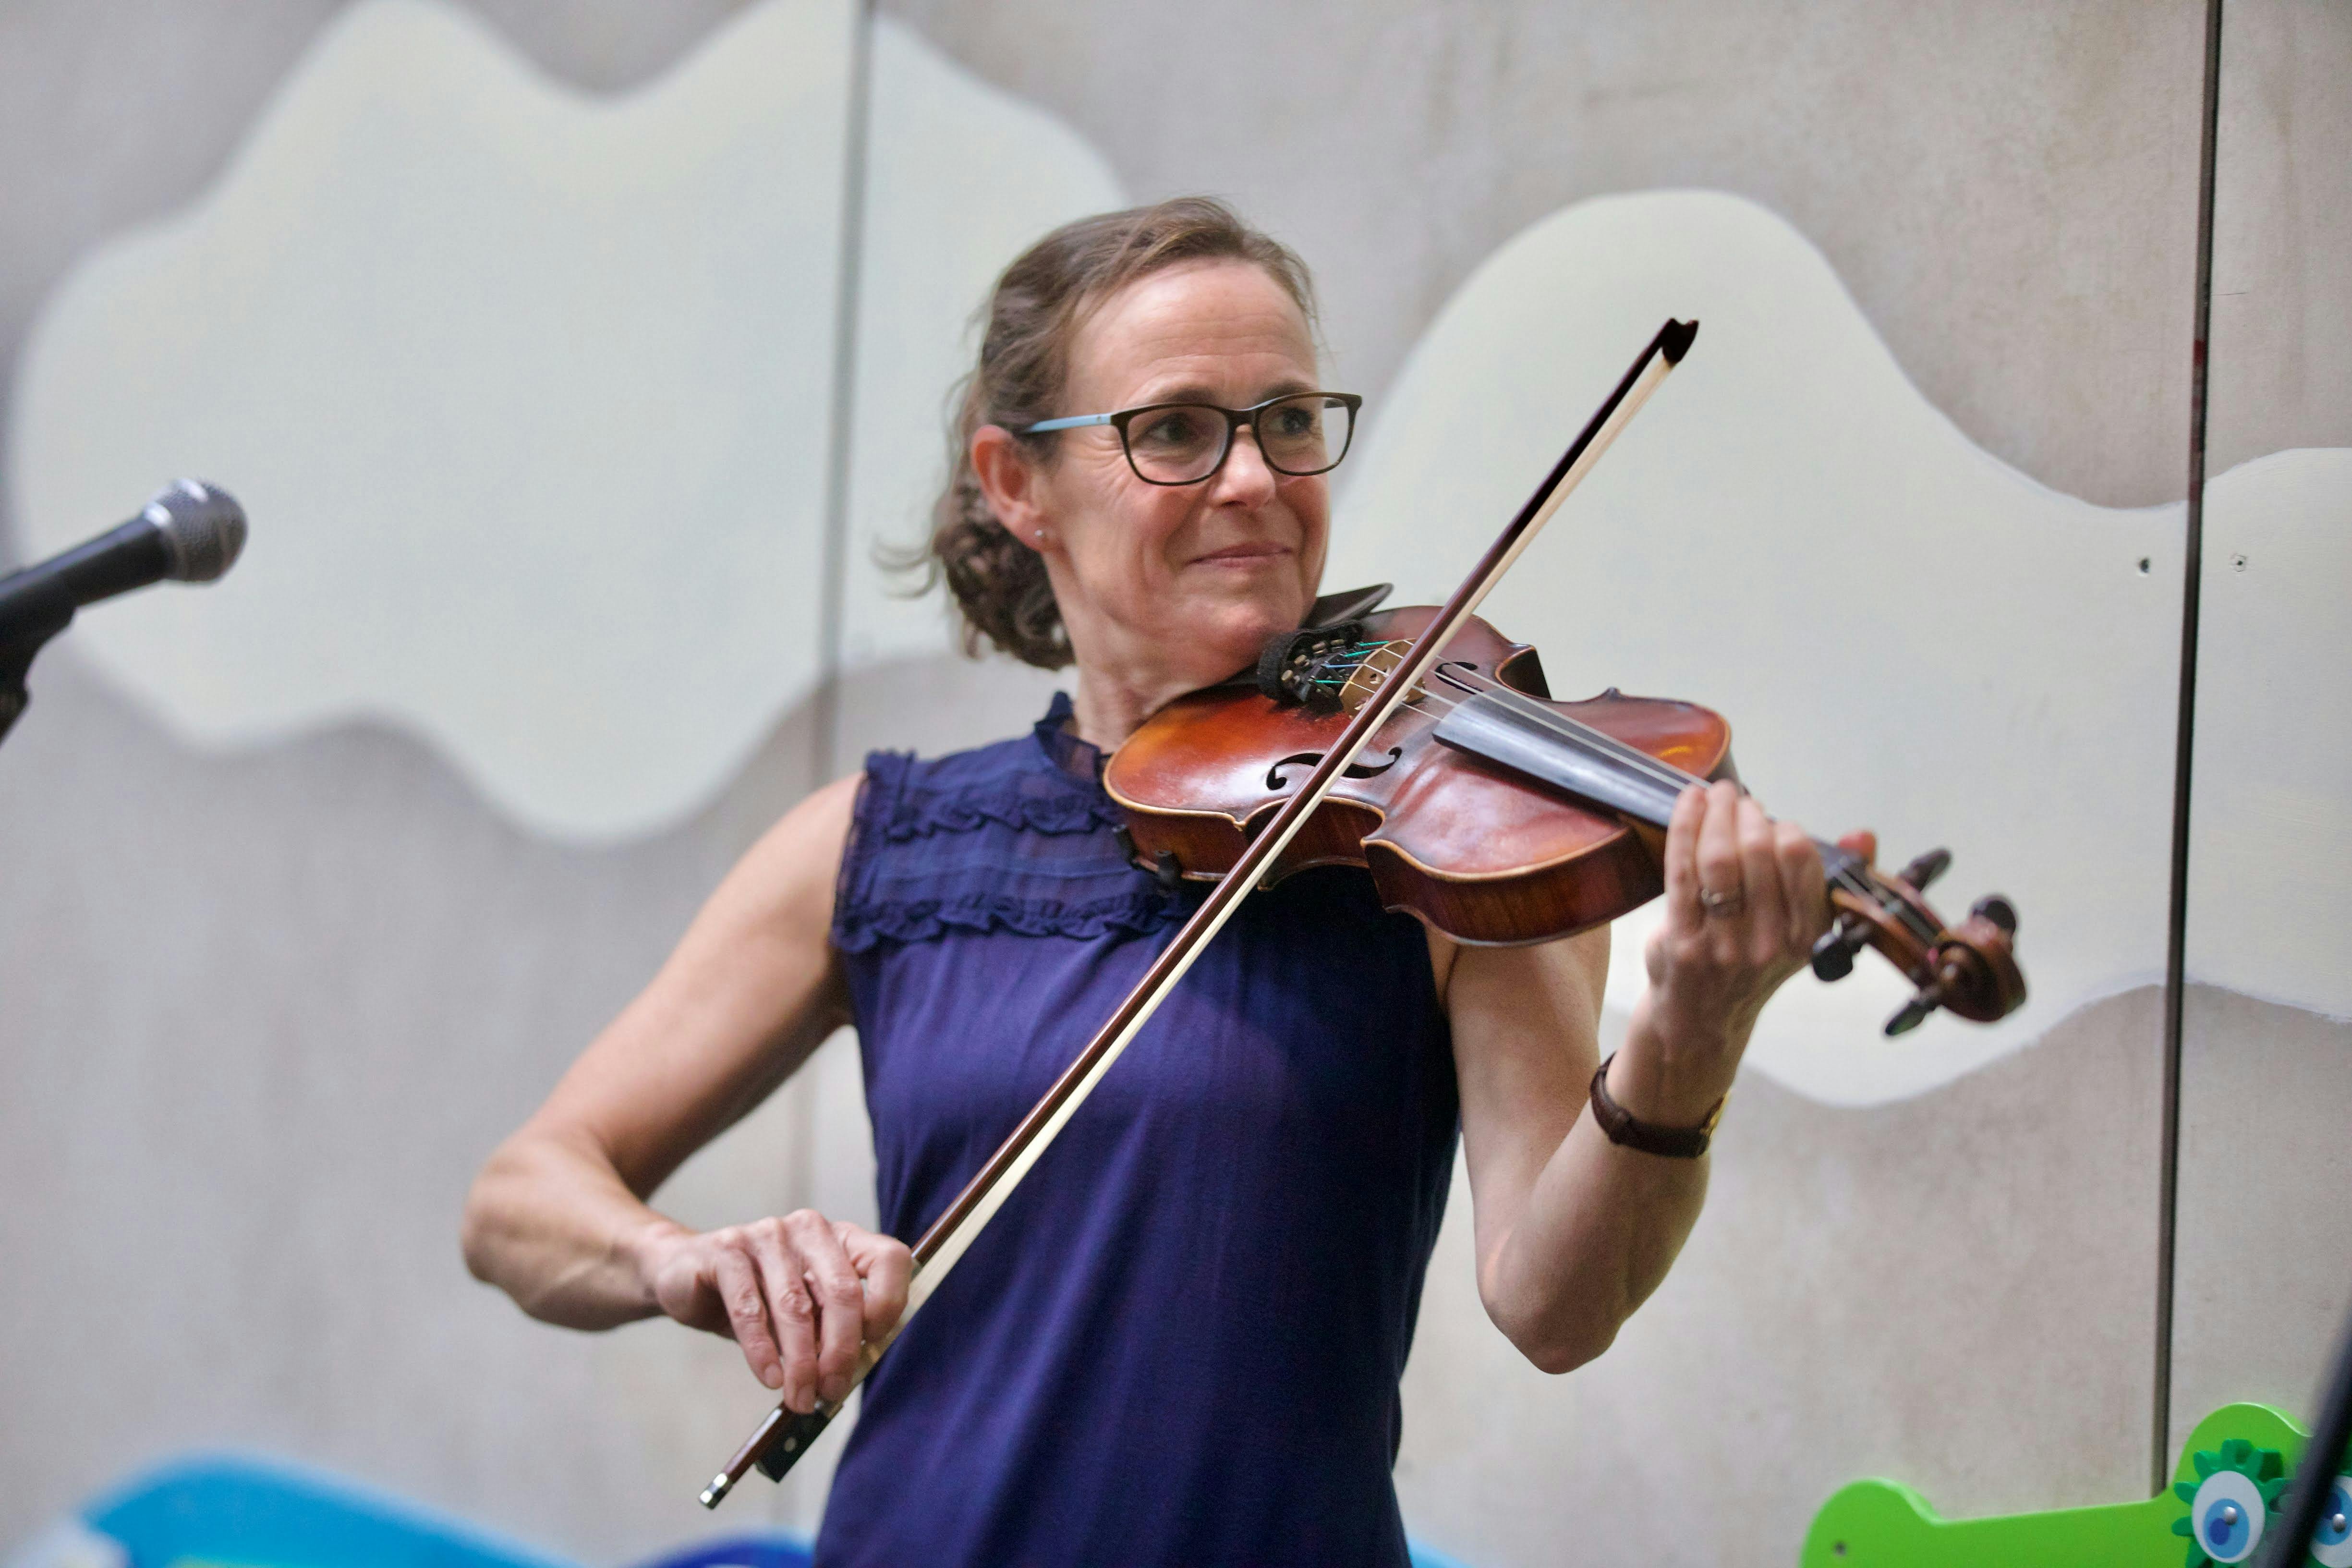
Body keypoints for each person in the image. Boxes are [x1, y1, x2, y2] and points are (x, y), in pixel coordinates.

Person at [461, 197, 1830, 1566]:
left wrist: (1685, 1040)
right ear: (1017, 483)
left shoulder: (1451, 839)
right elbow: (522, 1199)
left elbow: (1555, 1305)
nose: (1253, 478)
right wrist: (679, 1261)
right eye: (1174, 428)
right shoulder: (878, 842)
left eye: (1288, 419)